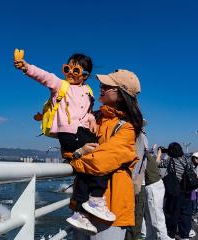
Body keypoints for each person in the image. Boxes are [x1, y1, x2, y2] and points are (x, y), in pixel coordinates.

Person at [14, 52, 115, 234]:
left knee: (89, 166)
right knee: (100, 158)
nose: (69, 72)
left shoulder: (88, 91)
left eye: (75, 69)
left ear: (85, 75)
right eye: (67, 68)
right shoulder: (62, 85)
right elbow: (44, 76)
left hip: (83, 132)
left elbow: (88, 112)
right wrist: (27, 67)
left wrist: (92, 118)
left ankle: (81, 212)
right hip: (68, 133)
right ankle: (96, 199)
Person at [63, 69, 143, 239]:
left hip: (111, 208)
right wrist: (77, 153)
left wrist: (74, 159)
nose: (101, 87)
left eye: (107, 86)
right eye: (102, 84)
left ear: (121, 94)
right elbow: (68, 145)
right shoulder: (93, 118)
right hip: (83, 207)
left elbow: (100, 161)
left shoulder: (127, 127)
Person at [156, 142, 193, 240]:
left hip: (175, 190)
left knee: (172, 213)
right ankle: (185, 235)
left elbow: (157, 164)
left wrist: (160, 153)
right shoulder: (186, 159)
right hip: (187, 190)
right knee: (185, 214)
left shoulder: (171, 161)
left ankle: (171, 234)